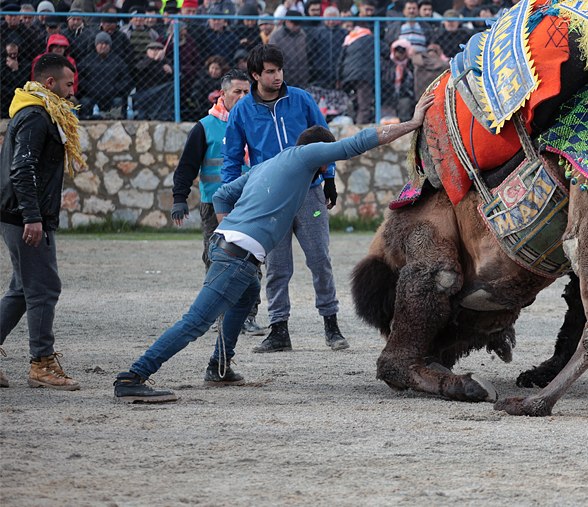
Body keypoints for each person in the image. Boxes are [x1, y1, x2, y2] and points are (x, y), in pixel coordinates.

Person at [113, 91, 434, 402]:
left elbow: (223, 195)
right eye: (327, 160)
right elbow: (360, 141)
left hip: (224, 246)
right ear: (320, 153)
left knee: (249, 293)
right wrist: (413, 122)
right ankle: (133, 376)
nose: (327, 169)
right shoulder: (308, 156)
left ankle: (218, 366)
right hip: (236, 256)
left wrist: (230, 230)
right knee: (195, 322)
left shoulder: (266, 165)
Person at [222, 44, 342, 353]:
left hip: (310, 192)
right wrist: (234, 195)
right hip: (269, 200)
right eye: (271, 71)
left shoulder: (301, 99)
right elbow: (231, 159)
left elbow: (325, 138)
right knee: (277, 267)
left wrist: (329, 178)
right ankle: (279, 330)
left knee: (320, 259)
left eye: (280, 70)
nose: (278, 76)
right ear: (256, 75)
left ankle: (332, 325)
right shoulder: (241, 111)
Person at [0, 54, 84, 390]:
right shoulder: (37, 115)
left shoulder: (40, 110)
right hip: (25, 218)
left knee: (22, 290)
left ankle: (41, 359)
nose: (72, 91)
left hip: (21, 215)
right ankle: (41, 363)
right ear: (50, 84)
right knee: (44, 288)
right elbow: (23, 169)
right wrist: (32, 217)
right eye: (67, 84)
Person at [171, 70, 266, 335]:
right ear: (222, 94)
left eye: (248, 91)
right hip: (214, 206)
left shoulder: (258, 122)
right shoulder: (205, 127)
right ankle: (218, 314)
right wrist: (180, 198)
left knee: (252, 260)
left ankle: (247, 316)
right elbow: (187, 166)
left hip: (250, 204)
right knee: (217, 260)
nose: (244, 96)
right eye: (238, 91)